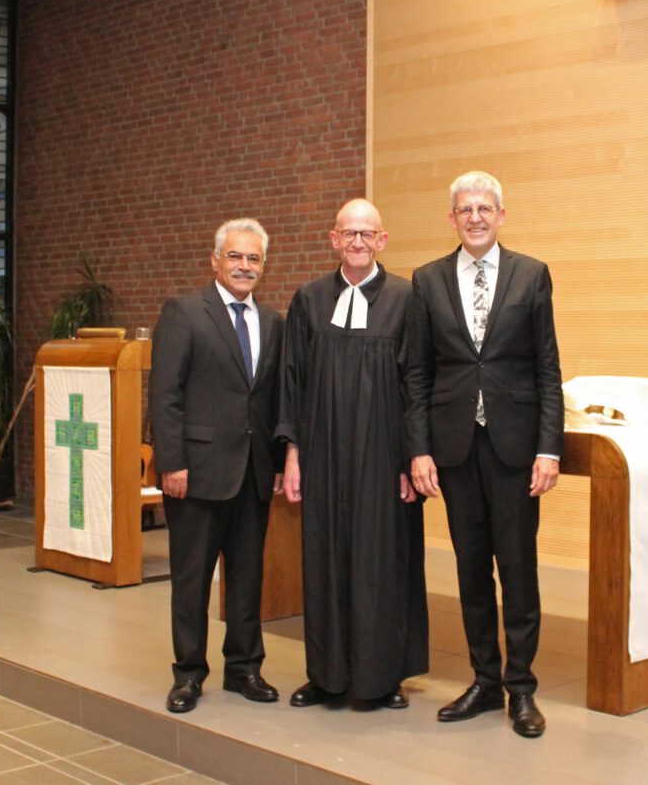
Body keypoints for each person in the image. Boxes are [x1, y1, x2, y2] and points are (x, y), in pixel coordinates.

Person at [405, 171, 563, 738]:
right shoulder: (426, 280)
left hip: (516, 449)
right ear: (452, 219)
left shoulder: (531, 275)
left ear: (501, 215)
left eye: (485, 208)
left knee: (518, 571)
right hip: (455, 448)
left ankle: (522, 690)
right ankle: (483, 680)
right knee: (471, 571)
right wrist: (419, 450)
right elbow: (418, 374)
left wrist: (550, 448)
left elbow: (547, 368)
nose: (475, 217)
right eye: (464, 209)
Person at [277, 198, 428, 709]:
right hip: (322, 457)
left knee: (381, 564)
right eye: (349, 234)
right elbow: (291, 382)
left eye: (368, 234)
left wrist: (412, 459)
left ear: (382, 240)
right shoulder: (310, 300)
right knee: (324, 559)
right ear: (334, 239)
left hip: (384, 461)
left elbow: (417, 384)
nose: (358, 242)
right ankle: (326, 675)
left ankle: (383, 679)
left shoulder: (408, 299)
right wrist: (293, 454)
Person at [149, 218, 284, 714]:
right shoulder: (185, 313)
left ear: (263, 266)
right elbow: (164, 395)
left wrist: (275, 458)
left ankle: (244, 668)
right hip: (196, 472)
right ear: (215, 261)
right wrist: (172, 462)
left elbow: (269, 399)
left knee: (248, 578)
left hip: (252, 473)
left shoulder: (273, 322)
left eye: (253, 259)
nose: (244, 266)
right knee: (192, 579)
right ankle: (188, 674)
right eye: (235, 256)